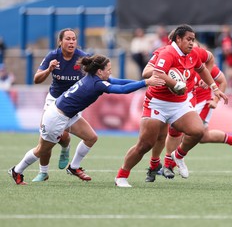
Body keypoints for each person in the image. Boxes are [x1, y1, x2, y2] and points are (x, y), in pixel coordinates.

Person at [8, 54, 165, 185]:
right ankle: (17, 170)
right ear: (99, 71)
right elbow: (122, 90)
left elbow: (121, 82)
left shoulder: (94, 77)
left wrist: (146, 85)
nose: (110, 73)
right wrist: (145, 82)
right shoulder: (97, 84)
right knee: (42, 150)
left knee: (91, 137)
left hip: (68, 114)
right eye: (108, 70)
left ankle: (74, 167)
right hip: (56, 117)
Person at [114, 24, 228, 188]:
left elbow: (204, 65)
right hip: (157, 102)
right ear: (178, 39)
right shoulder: (167, 53)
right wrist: (175, 84)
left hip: (179, 103)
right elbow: (156, 72)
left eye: (193, 40)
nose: (191, 43)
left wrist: (214, 88)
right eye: (188, 39)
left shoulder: (193, 53)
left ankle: (178, 155)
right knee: (145, 144)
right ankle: (122, 176)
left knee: (197, 131)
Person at [30, 28, 90, 182]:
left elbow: (96, 77)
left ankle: (66, 149)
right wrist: (49, 69)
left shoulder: (83, 58)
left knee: (77, 137)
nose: (71, 42)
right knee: (46, 138)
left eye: (74, 39)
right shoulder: (53, 56)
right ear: (60, 42)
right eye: (68, 39)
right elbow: (36, 79)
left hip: (72, 103)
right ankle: (43, 172)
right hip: (53, 101)